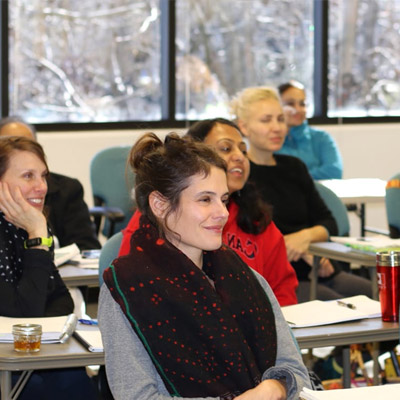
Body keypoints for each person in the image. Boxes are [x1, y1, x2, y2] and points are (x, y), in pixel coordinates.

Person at [98, 133, 310, 399]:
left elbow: (297, 374)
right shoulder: (127, 288)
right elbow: (137, 396)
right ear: (160, 205)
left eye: (223, 199)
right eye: (205, 200)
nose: (222, 212)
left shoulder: (247, 278)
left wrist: (273, 388)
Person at [230, 86, 372, 302]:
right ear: (244, 126)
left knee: (382, 296)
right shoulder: (240, 174)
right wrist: (289, 245)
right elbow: (248, 235)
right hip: (279, 278)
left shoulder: (295, 167)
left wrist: (304, 238)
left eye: (280, 119)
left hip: (320, 267)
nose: (276, 127)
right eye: (266, 120)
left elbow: (329, 222)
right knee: (340, 307)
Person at [0, 136, 97, 399]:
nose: (41, 187)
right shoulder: (33, 226)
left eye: (43, 175)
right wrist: (37, 234)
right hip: (8, 365)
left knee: (75, 377)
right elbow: (24, 315)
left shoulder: (31, 224)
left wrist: (37, 232)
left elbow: (62, 300)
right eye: (28, 176)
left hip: (35, 354)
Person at [186, 118, 298, 306]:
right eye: (226, 149)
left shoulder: (257, 219)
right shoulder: (166, 212)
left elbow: (282, 291)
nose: (239, 157)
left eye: (243, 151)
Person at [0, 116, 101, 250]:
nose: (42, 187)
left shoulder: (67, 189)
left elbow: (86, 247)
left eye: (25, 145)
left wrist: (38, 231)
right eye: (8, 144)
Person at [275, 80, 343, 180]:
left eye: (302, 104)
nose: (298, 109)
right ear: (277, 106)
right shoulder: (272, 141)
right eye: (290, 104)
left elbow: (334, 171)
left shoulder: (322, 138)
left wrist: (294, 178)